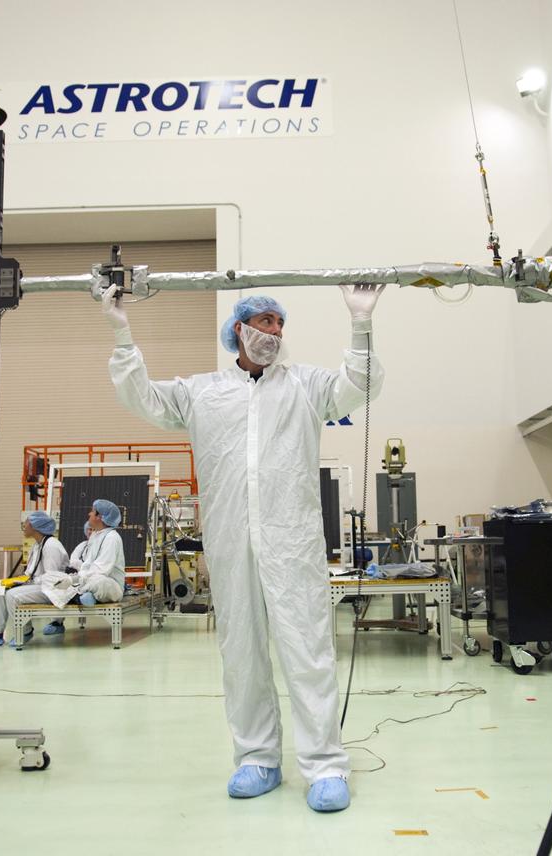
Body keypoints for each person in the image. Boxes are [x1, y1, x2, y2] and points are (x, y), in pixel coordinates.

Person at [104, 283, 385, 813]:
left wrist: (360, 322)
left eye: (281, 324)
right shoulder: (202, 392)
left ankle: (325, 766)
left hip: (293, 545)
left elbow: (361, 385)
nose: (274, 332)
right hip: (232, 545)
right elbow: (140, 396)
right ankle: (257, 758)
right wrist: (122, 330)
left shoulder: (305, 386)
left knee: (307, 651)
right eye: (265, 321)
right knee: (242, 655)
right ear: (239, 328)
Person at [0, 511, 71, 647]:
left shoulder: (51, 545)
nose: (24, 526)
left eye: (26, 523)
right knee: (1, 590)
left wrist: (26, 581)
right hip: (38, 585)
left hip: (52, 589)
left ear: (35, 526)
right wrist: (16, 581)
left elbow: (52, 577)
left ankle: (25, 631)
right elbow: (30, 572)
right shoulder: (37, 545)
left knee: (12, 595)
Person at [42, 501, 126, 634]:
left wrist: (74, 580)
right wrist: (73, 577)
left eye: (92, 511)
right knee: (49, 577)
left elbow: (101, 570)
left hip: (109, 585)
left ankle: (77, 594)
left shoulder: (112, 538)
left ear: (100, 517)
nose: (89, 514)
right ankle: (82, 595)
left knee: (98, 580)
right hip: (86, 581)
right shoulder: (95, 535)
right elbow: (86, 565)